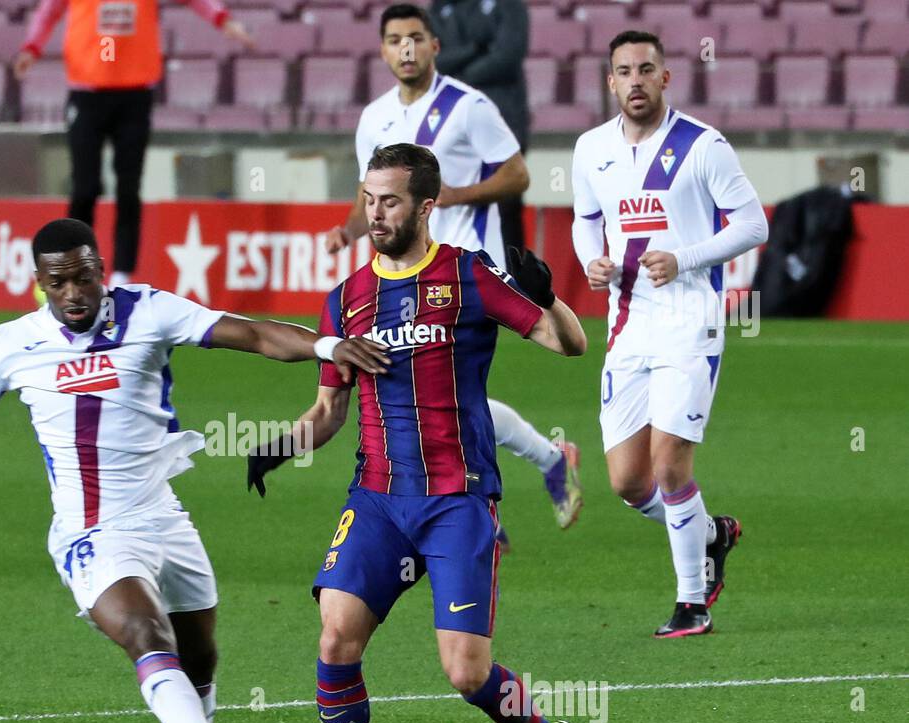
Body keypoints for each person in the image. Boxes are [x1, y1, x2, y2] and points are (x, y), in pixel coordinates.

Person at [0, 218, 388, 723]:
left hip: (162, 514)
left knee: (200, 650)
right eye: (58, 283)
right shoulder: (11, 344)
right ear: (39, 284)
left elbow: (253, 335)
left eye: (82, 277)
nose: (72, 293)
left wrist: (326, 345)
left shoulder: (149, 311)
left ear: (101, 270)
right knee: (143, 634)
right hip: (90, 529)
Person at [255, 144, 590, 723]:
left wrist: (547, 294)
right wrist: (278, 445)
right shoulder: (345, 299)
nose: (375, 214)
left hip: (458, 498)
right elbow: (328, 413)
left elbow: (569, 346)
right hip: (376, 496)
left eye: (391, 201)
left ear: (426, 206)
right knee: (336, 635)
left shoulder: (467, 277)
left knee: (467, 673)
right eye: (369, 199)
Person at [325, 4, 582, 544]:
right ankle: (538, 466)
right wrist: (347, 232)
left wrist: (456, 194)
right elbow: (365, 192)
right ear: (383, 50)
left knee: (448, 389)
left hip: (466, 264)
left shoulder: (470, 107)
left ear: (435, 45)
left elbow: (517, 174)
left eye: (416, 38)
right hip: (404, 269)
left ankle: (486, 494)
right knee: (435, 390)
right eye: (395, 39)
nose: (407, 49)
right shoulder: (374, 117)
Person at [570, 31, 768, 638]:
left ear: (666, 78)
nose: (635, 80)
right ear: (610, 81)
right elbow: (586, 221)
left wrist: (685, 258)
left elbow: (753, 224)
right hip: (628, 325)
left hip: (690, 322)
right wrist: (590, 262)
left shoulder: (704, 147)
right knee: (629, 483)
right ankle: (708, 532)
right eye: (623, 70)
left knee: (670, 465)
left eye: (646, 69)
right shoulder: (591, 148)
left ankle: (692, 603)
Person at [13, 1, 254, 287]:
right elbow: (49, 11)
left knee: (129, 188)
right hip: (87, 93)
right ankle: (73, 269)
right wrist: (32, 47)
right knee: (85, 188)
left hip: (134, 93)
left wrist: (221, 18)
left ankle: (122, 276)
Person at [431, 0, 531, 257]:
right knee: (447, 199)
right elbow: (434, 61)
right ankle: (455, 275)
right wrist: (477, 48)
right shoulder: (439, 8)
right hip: (451, 120)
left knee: (504, 201)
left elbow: (508, 56)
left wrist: (458, 74)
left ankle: (512, 279)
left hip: (505, 115)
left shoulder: (509, 6)